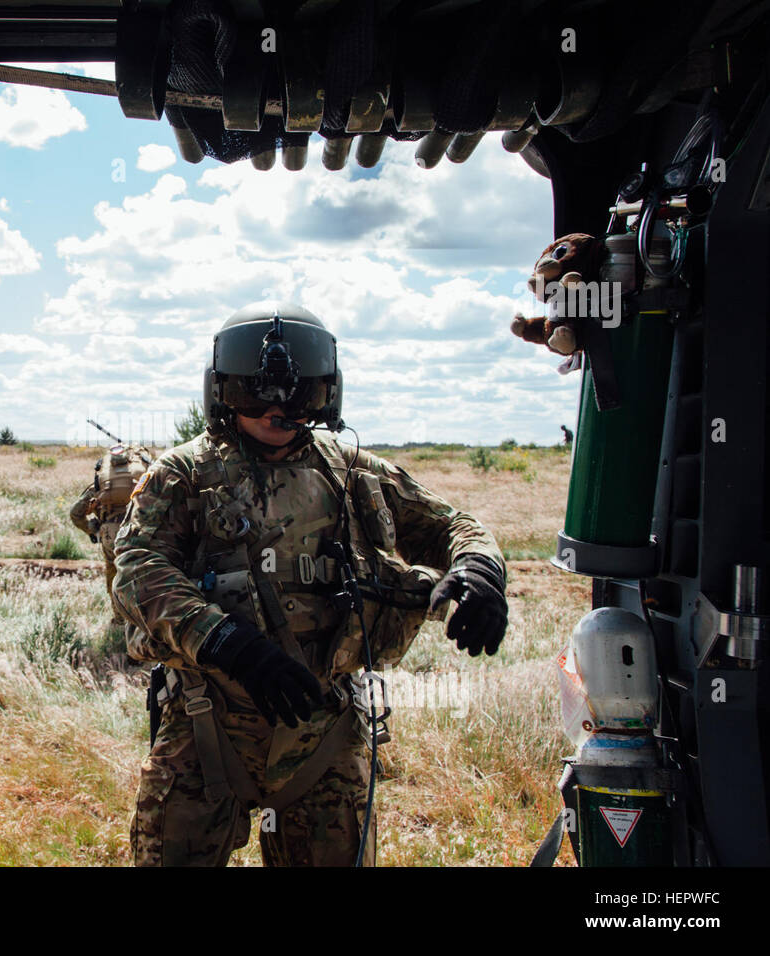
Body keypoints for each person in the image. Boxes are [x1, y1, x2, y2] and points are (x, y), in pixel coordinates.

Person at [111, 301, 509, 867]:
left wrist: (479, 570)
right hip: (205, 729)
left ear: (327, 395)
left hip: (325, 734)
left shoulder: (350, 470)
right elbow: (137, 568)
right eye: (255, 394)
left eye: (299, 398)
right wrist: (225, 643)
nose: (276, 411)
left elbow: (452, 526)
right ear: (222, 393)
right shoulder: (184, 474)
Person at [69, 442, 150, 626]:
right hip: (139, 531)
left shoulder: (101, 484)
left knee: (113, 576)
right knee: (144, 576)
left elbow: (75, 512)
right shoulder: (144, 478)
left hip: (109, 536)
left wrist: (92, 528)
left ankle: (120, 620)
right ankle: (145, 621)